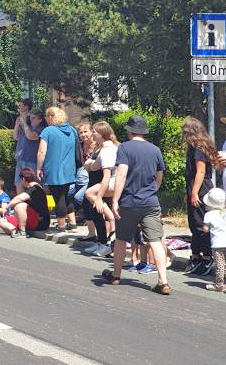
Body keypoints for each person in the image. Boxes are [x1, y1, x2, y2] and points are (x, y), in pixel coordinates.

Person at [101, 114, 171, 295]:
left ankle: (116, 276)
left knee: (122, 239)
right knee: (155, 240)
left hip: (129, 201)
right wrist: (151, 192)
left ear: (129, 130)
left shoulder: (124, 148)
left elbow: (122, 174)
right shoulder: (155, 149)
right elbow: (159, 178)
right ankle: (163, 281)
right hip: (150, 202)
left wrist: (115, 200)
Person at [182, 116, 219, 275]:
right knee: (194, 223)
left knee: (200, 224)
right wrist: (188, 192)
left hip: (202, 187)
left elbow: (201, 171)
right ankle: (197, 256)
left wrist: (195, 192)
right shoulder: (196, 147)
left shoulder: (198, 147)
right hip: (195, 187)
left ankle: (207, 258)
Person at [82, 122, 120, 257]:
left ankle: (106, 237)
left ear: (102, 134)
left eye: (95, 131)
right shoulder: (102, 147)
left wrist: (98, 198)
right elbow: (95, 166)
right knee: (94, 210)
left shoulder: (108, 149)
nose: (92, 133)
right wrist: (90, 164)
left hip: (108, 182)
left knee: (90, 195)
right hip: (100, 181)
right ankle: (101, 242)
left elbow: (107, 175)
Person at [37, 106, 77, 232]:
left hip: (54, 169)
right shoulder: (72, 130)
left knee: (58, 197)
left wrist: (39, 168)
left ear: (50, 117)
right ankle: (72, 222)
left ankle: (61, 226)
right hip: (69, 168)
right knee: (66, 196)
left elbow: (42, 152)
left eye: (46, 117)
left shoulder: (48, 131)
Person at [0, 169, 50, 237]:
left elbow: (19, 198)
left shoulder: (34, 189)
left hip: (39, 222)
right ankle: (14, 230)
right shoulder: (37, 188)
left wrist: (6, 207)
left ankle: (22, 232)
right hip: (39, 221)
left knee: (20, 206)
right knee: (2, 221)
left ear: (23, 179)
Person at [201, 188, 226, 293]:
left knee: (219, 264)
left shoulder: (209, 215)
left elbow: (205, 229)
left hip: (217, 243)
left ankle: (219, 284)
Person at [13, 100, 42, 184]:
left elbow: (31, 137)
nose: (19, 107)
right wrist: (17, 125)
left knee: (32, 184)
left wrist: (25, 123)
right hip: (20, 158)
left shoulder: (37, 126)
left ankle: (42, 197)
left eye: (20, 105)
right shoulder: (21, 120)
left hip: (31, 159)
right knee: (19, 183)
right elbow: (15, 137)